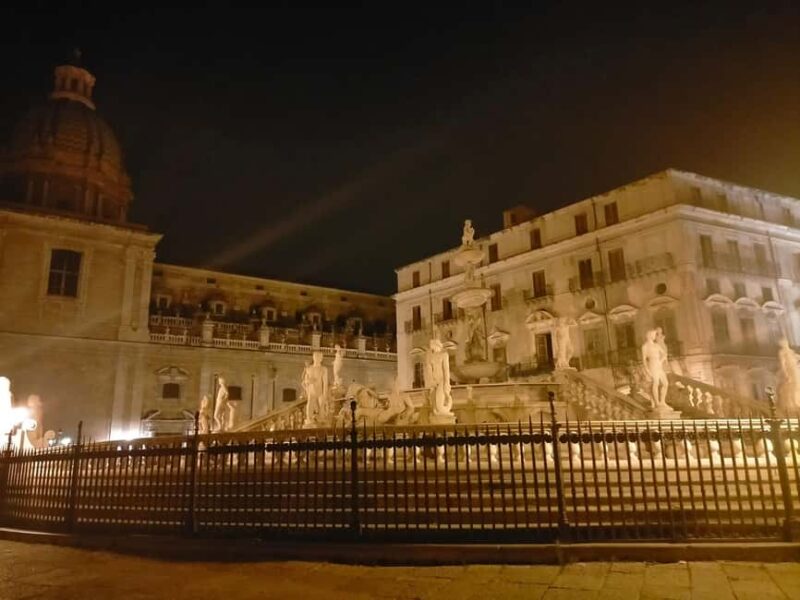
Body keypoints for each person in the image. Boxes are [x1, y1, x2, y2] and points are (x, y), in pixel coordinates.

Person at [424, 339, 454, 417]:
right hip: (433, 380)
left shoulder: (444, 354)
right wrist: (431, 381)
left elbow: (446, 370)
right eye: (431, 347)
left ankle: (444, 410)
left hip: (442, 380)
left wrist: (447, 383)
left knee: (439, 401)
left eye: (433, 347)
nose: (432, 349)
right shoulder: (429, 355)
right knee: (434, 400)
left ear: (438, 346)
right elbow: (429, 369)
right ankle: (438, 411)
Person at [641, 329, 668, 408]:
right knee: (655, 383)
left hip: (658, 365)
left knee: (665, 383)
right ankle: (657, 402)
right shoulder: (645, 346)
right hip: (652, 365)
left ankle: (662, 401)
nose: (654, 336)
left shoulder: (656, 345)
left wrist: (661, 361)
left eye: (655, 334)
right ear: (649, 335)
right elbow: (644, 360)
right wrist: (647, 370)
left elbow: (664, 354)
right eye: (653, 334)